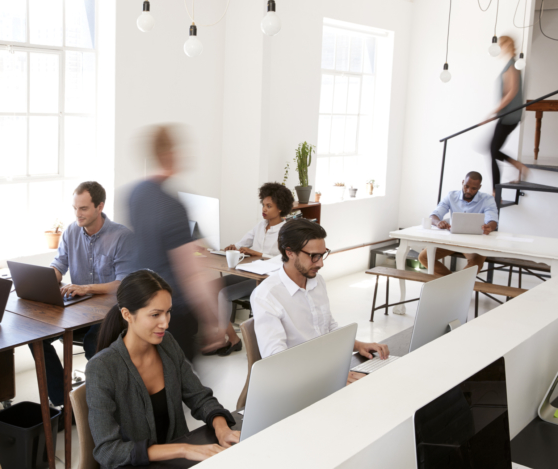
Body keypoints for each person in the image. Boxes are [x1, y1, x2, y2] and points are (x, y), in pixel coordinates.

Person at [86, 270, 239, 468]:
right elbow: (107, 450)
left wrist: (222, 428)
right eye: (155, 314)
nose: (165, 323)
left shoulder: (167, 344)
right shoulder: (102, 368)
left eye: (168, 312)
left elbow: (199, 397)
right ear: (127, 315)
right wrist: (184, 449)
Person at [31, 181, 133, 413]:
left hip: (112, 312)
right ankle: (64, 403)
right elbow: (60, 264)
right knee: (37, 337)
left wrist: (87, 288)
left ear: (100, 206)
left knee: (92, 341)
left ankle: (107, 403)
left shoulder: (121, 236)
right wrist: (46, 280)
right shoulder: (70, 231)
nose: (78, 214)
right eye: (75, 208)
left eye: (84, 208)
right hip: (78, 310)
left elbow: (123, 284)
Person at [251, 219, 388, 385]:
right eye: (313, 256)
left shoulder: (317, 282)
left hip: (325, 369)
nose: (321, 263)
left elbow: (327, 328)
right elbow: (276, 360)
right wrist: (329, 378)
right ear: (290, 252)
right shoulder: (266, 295)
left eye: (322, 255)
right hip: (296, 381)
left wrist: (358, 345)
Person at [127, 126, 221, 361]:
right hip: (171, 314)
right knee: (181, 387)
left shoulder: (135, 194)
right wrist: (213, 322)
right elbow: (190, 274)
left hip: (141, 310)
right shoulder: (172, 206)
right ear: (170, 154)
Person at [206, 182, 294, 356]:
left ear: (280, 208)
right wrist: (233, 247)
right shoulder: (260, 226)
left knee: (223, 294)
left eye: (269, 206)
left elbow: (282, 260)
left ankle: (220, 337)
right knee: (209, 289)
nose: (264, 209)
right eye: (263, 204)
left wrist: (256, 253)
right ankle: (233, 337)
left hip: (266, 280)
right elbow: (241, 244)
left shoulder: (285, 230)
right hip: (249, 274)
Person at [419, 171, 498, 276]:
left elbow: (492, 221)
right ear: (462, 182)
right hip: (452, 239)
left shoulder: (487, 199)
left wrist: (489, 227)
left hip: (476, 241)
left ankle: (454, 285)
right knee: (424, 257)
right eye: (466, 186)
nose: (469, 190)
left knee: (475, 263)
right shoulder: (451, 196)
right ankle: (454, 284)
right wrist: (438, 222)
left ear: (479, 187)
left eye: (474, 188)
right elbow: (433, 215)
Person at [489, 35, 528, 193]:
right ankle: (516, 167)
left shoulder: (512, 65)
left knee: (492, 150)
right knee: (492, 150)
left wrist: (494, 111)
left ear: (506, 45)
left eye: (501, 45)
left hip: (508, 116)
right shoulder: (510, 65)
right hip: (507, 115)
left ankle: (495, 191)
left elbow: (512, 92)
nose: (499, 48)